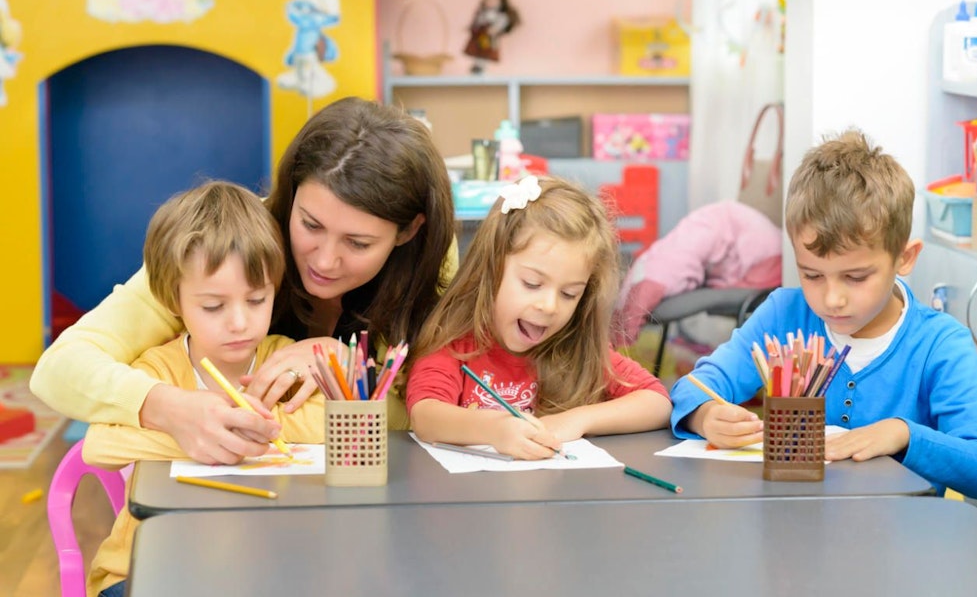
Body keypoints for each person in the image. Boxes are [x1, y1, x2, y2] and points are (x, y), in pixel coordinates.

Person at [31, 97, 456, 464]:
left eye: (358, 243)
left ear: (408, 231)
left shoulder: (429, 266)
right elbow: (60, 368)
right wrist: (167, 408)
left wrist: (346, 366)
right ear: (290, 196)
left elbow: (436, 410)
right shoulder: (229, 245)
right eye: (310, 224)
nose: (325, 260)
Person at [668, 129, 977, 500]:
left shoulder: (940, 344)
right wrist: (706, 415)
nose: (831, 299)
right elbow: (693, 387)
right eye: (812, 275)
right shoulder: (783, 314)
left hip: (897, 543)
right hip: (793, 527)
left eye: (855, 277)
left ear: (904, 258)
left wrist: (904, 434)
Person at [82, 180, 325, 597]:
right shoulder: (158, 368)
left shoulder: (283, 361)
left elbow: (326, 428)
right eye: (213, 306)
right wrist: (192, 432)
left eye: (256, 301)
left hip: (263, 562)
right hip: (146, 567)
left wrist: (240, 432)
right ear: (174, 302)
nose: (238, 323)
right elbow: (98, 446)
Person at [405, 175, 672, 459]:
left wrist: (578, 419)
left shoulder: (576, 350)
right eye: (532, 284)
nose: (549, 306)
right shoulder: (457, 345)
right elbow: (425, 415)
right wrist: (497, 430)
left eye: (569, 294)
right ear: (491, 268)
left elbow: (657, 402)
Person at [462, 0, 520, 74]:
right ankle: (478, 66)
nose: (491, 1)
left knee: (485, 51)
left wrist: (494, 30)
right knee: (479, 50)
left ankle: (482, 67)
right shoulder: (482, 13)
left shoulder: (499, 16)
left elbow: (500, 24)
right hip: (481, 36)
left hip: (488, 37)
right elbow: (477, 24)